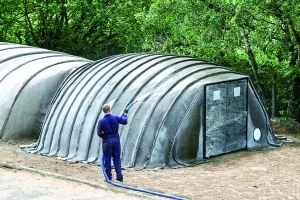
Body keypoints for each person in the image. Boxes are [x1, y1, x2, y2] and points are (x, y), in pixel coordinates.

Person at [97, 104, 128, 182]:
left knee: (107, 159)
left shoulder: (101, 121)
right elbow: (124, 122)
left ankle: (109, 178)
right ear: (109, 109)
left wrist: (104, 136)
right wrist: (125, 114)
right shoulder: (115, 118)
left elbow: (99, 133)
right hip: (116, 140)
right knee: (117, 158)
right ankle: (119, 177)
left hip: (107, 141)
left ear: (103, 111)